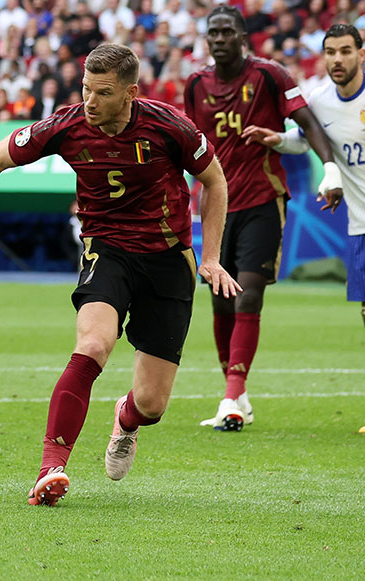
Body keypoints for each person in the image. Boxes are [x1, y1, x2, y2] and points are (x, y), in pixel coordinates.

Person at [0, 44, 241, 506]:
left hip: (169, 259)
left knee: (151, 405)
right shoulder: (66, 124)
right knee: (92, 344)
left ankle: (126, 420)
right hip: (106, 249)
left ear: (130, 93)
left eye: (103, 92)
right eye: (86, 89)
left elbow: (215, 181)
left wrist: (210, 258)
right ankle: (51, 468)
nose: (90, 101)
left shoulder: (170, 126)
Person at [184, 5, 343, 431]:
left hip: (261, 200)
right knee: (220, 300)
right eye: (212, 32)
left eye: (226, 32)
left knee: (248, 294)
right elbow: (190, 148)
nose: (219, 39)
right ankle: (236, 395)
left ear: (243, 37)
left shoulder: (271, 76)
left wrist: (329, 169)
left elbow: (309, 124)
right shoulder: (196, 84)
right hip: (216, 207)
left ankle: (231, 397)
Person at [237, 24, 365, 431]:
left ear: (361, 54)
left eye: (346, 51)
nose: (337, 60)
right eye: (330, 52)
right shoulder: (321, 101)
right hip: (359, 224)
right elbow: (305, 138)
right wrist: (275, 138)